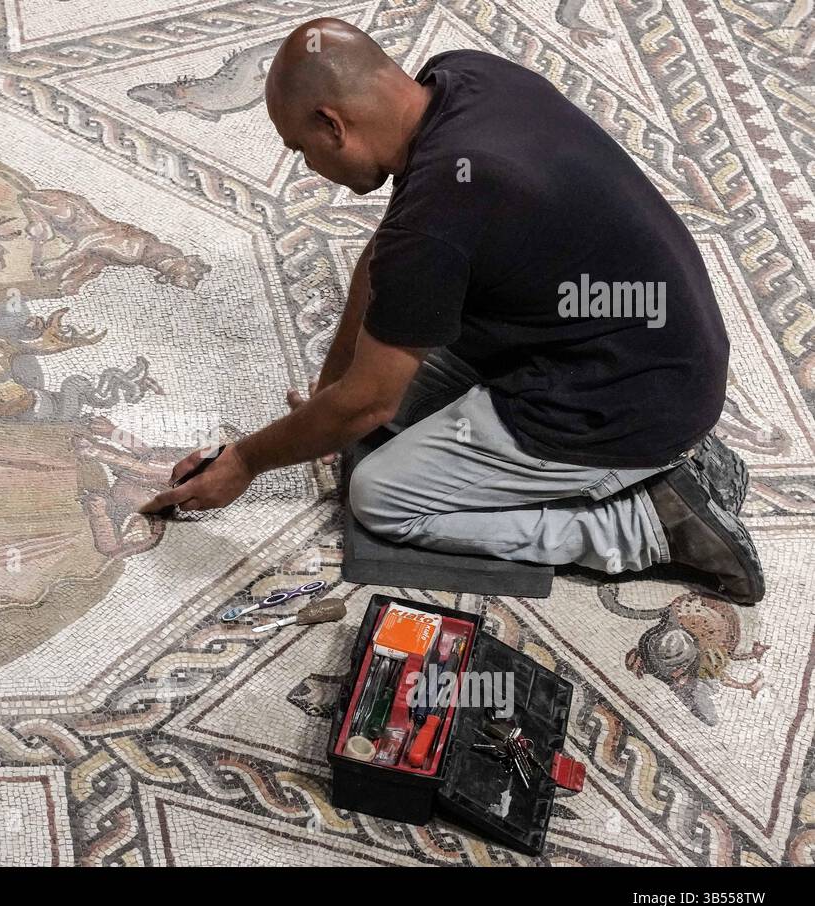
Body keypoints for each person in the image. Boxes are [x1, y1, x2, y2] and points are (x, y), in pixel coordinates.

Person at [139, 17, 763, 603]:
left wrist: (249, 460)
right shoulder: (462, 78)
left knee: (381, 495)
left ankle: (646, 524)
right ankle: (648, 464)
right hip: (658, 347)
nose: (309, 167)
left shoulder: (438, 218)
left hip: (624, 401)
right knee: (373, 402)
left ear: (334, 124)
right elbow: (385, 260)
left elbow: (369, 401)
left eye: (303, 148)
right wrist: (331, 390)